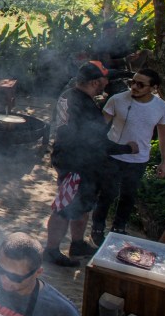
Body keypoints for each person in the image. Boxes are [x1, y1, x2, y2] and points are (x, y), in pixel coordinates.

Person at [44, 61, 136, 266]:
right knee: (63, 208)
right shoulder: (85, 106)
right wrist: (127, 148)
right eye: (105, 79)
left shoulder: (70, 94)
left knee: (83, 206)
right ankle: (51, 250)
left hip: (77, 161)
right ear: (95, 82)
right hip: (75, 164)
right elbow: (98, 142)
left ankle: (77, 244)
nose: (107, 82)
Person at [91, 68, 165, 244]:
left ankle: (118, 229)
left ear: (154, 88)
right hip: (113, 156)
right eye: (132, 82)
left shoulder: (161, 107)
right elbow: (99, 128)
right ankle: (97, 229)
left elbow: (164, 134)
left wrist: (164, 162)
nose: (134, 87)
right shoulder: (117, 99)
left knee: (128, 196)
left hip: (139, 159)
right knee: (106, 194)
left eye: (140, 84)